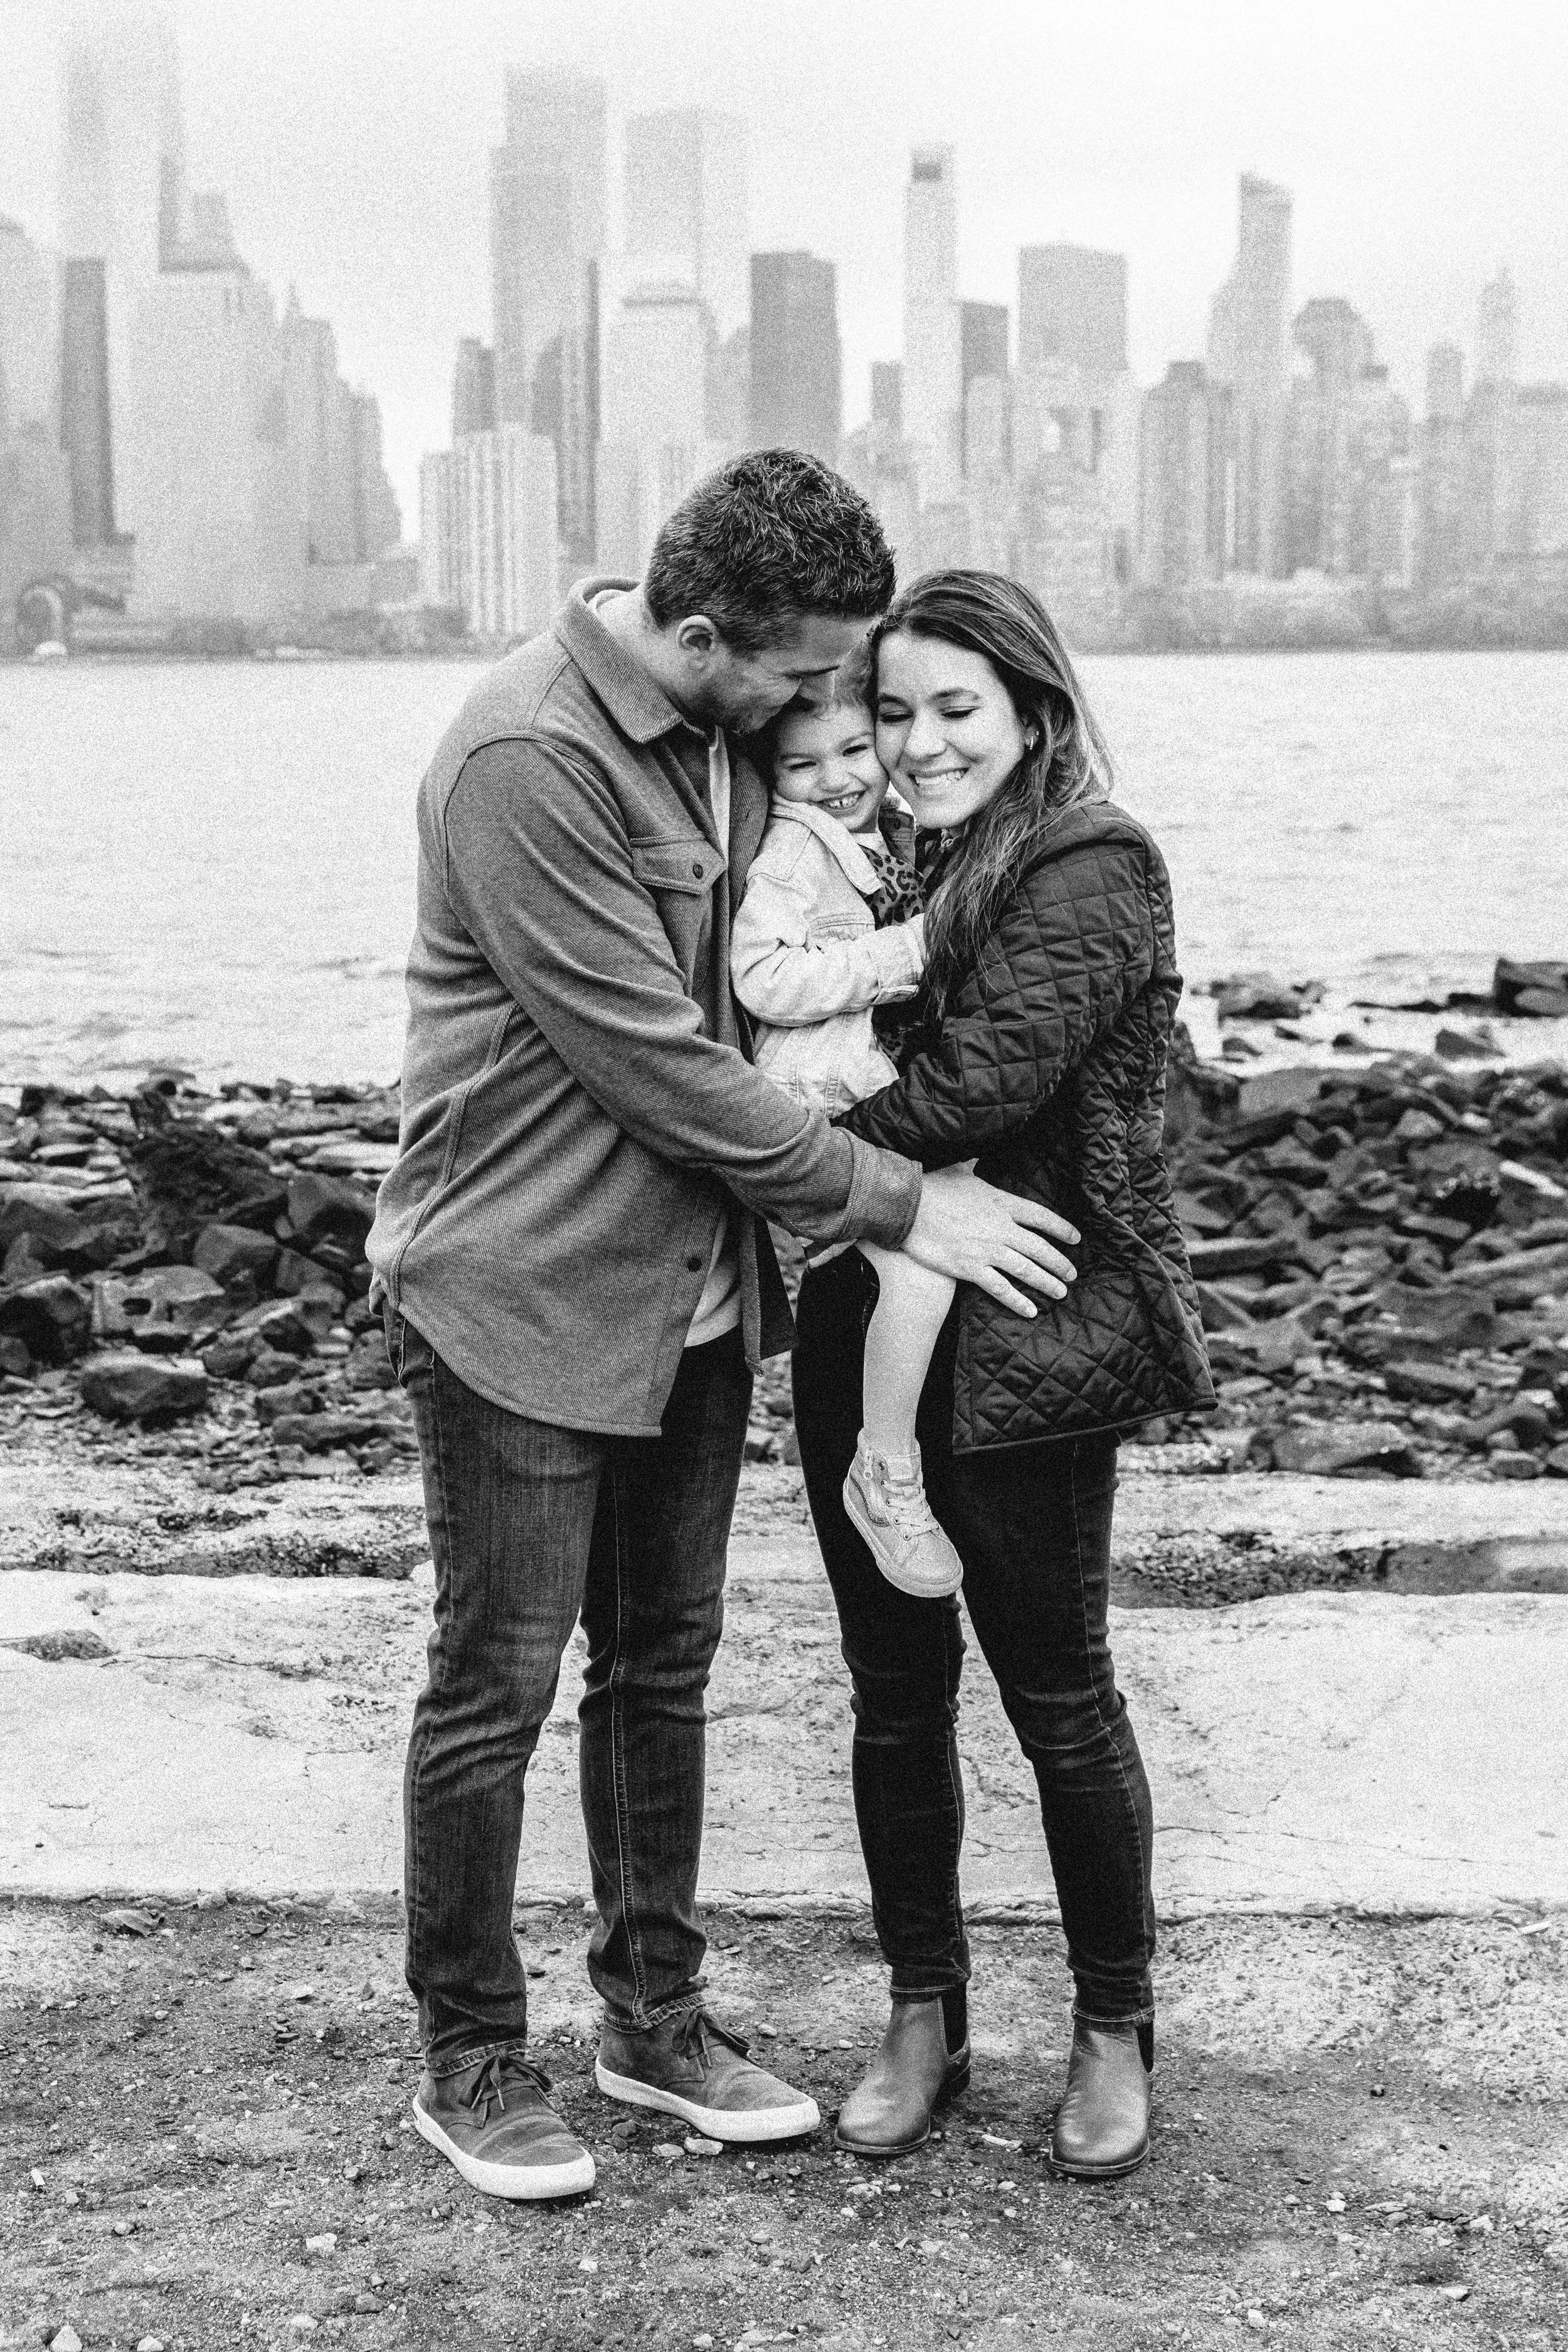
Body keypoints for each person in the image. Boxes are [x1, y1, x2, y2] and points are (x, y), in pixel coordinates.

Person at [364, 457, 1082, 2204]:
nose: (818, 711)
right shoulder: (527, 753)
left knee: (660, 1666)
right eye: (800, 677)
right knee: (494, 1681)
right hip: (523, 1286)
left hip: (690, 1298)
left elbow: (783, 955)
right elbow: (659, 1062)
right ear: (699, 634)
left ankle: (652, 2015)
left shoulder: (709, 724)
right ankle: (470, 2056)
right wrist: (907, 1201)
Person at [790, 569, 1215, 2181]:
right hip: (865, 1316)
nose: (914, 743)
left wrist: (781, 1160)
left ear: (1031, 706)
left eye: (953, 710)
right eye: (890, 713)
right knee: (894, 1697)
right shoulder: (887, 860)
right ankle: (925, 2012)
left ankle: (1112, 2026)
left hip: (1030, 1326)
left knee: (1055, 1694)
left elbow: (984, 1077)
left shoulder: (1091, 861)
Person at [730, 662, 963, 1600]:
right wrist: (896, 956)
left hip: (855, 1073)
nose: (836, 777)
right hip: (815, 1083)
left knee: (931, 1235)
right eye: (801, 765)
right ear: (769, 778)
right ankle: (884, 1463)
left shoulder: (885, 833)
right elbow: (761, 979)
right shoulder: (793, 852)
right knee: (926, 1252)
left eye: (856, 748)